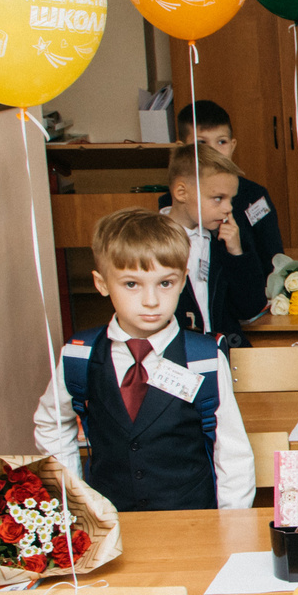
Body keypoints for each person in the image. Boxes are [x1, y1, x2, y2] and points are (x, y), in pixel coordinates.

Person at [35, 208, 254, 512]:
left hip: (192, 524)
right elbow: (52, 424)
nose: (151, 301)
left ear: (182, 282)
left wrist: (230, 525)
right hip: (111, 524)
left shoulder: (204, 358)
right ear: (101, 284)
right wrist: (73, 502)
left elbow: (233, 453)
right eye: (131, 284)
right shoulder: (79, 355)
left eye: (165, 283)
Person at [160, 143, 266, 343]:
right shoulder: (149, 241)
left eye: (230, 200)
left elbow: (250, 307)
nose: (228, 208)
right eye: (218, 198)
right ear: (181, 192)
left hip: (224, 354)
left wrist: (236, 253)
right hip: (178, 357)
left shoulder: (223, 241)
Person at [176, 100, 285, 273]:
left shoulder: (255, 196)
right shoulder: (176, 201)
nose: (213, 151)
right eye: (201, 143)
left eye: (222, 142)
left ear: (233, 145)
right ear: (182, 150)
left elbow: (273, 258)